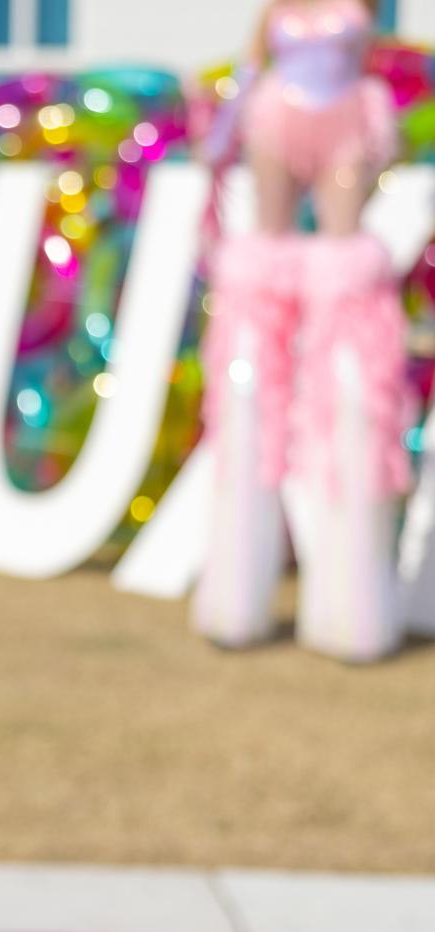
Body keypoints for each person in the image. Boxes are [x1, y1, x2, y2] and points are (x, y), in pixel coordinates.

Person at [194, 0, 411, 661]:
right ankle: (237, 592)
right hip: (277, 117)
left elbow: (367, 55)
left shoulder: (362, 11)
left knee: (345, 303)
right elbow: (251, 60)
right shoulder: (276, 11)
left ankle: (352, 602)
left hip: (345, 118)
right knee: (255, 329)